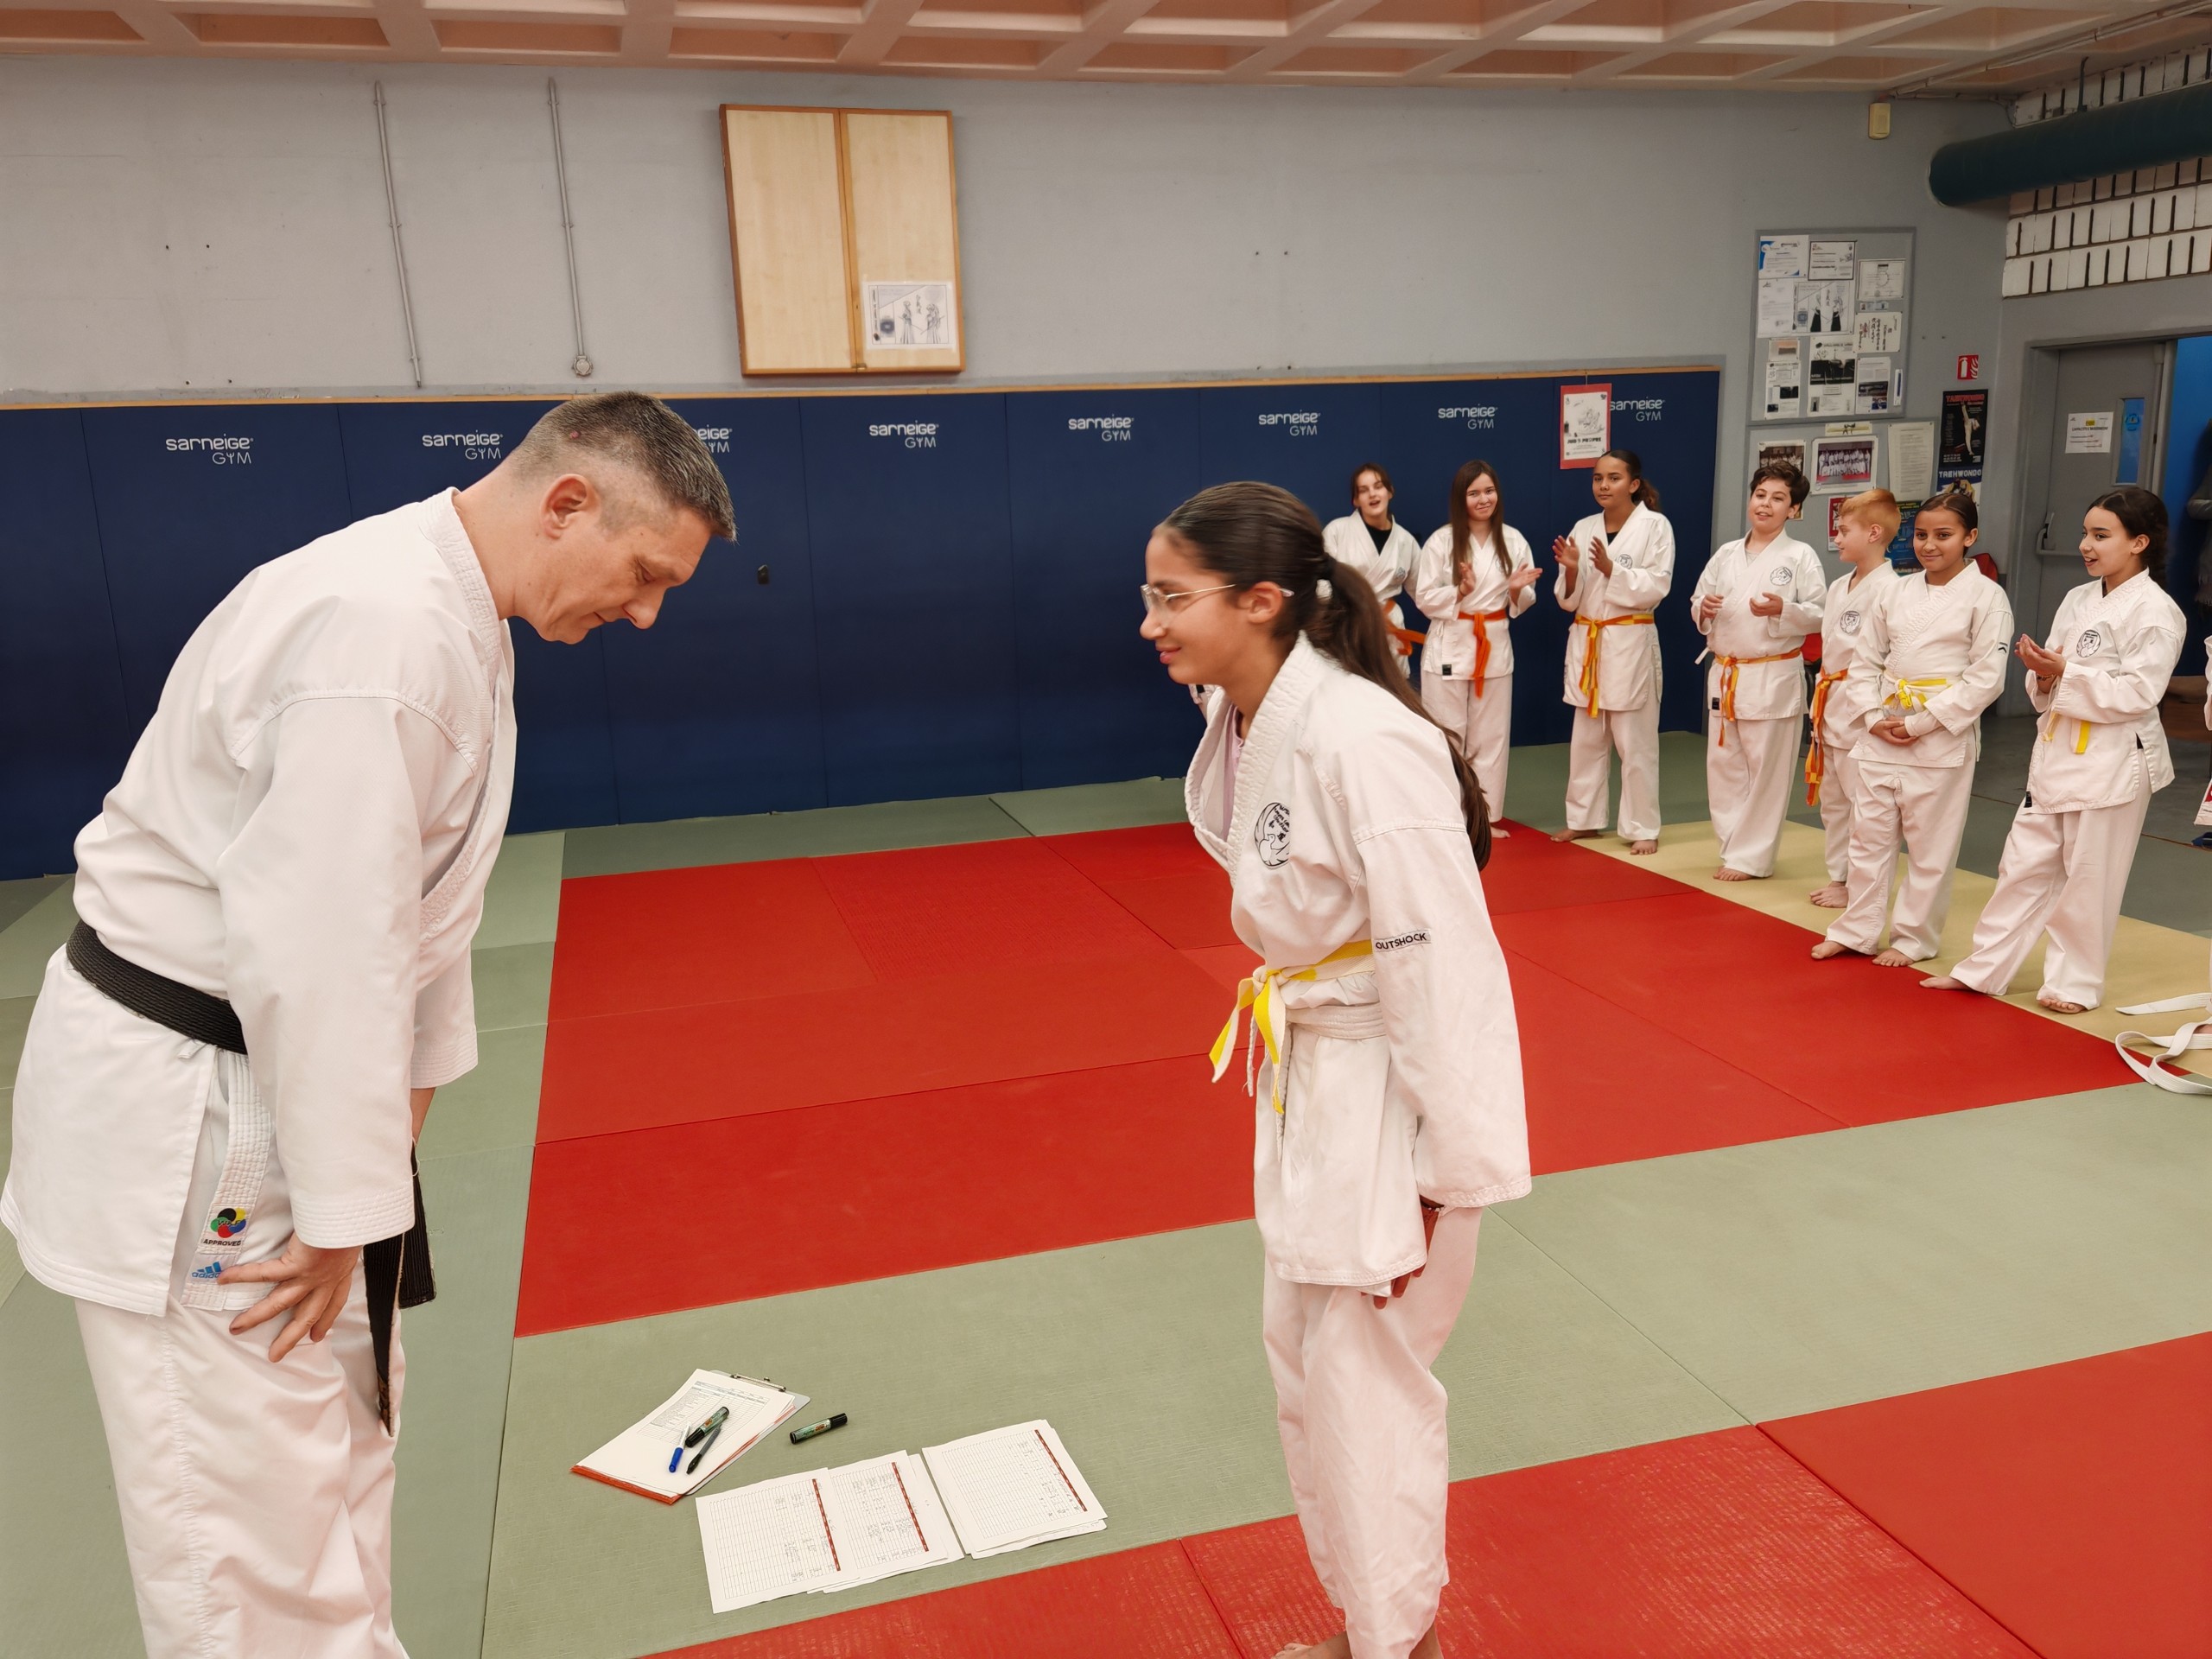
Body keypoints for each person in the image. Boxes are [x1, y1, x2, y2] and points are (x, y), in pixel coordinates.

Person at [1, 393, 733, 1658]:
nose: (647, 613)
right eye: (646, 574)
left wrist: (380, 1169)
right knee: (247, 1536)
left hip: (287, 1090)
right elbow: (322, 953)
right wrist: (347, 1214)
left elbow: (422, 927)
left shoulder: (454, 614)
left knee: (339, 1452)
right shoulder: (380, 631)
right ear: (568, 504)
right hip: (201, 1108)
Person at [1141, 482, 1529, 1659]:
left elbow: (1443, 961)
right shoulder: (1257, 713)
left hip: (1385, 1098)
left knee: (1364, 1389)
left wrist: (1449, 1165)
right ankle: (1375, 1629)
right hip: (1317, 1067)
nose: (1150, 623)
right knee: (1305, 1368)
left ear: (1261, 601)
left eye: (1170, 598)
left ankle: (1396, 1643)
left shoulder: (1364, 739)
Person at [1924, 487, 2185, 1011]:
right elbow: (2050, 674)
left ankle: (2075, 984)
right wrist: (2044, 677)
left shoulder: (2157, 612)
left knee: (2090, 879)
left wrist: (2065, 671)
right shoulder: (2078, 598)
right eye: (2085, 533)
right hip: (2058, 749)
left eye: (2101, 535)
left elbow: (2139, 694)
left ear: (2139, 542)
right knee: (2021, 865)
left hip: (2114, 760)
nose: (2086, 545)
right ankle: (1985, 968)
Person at [1813, 489, 2012, 967]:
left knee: (1929, 847)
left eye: (1943, 535)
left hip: (1940, 733)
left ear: (1970, 537)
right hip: (1882, 727)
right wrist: (1872, 716)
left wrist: (1922, 722)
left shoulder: (1988, 597)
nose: (1929, 545)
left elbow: (1987, 678)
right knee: (1868, 837)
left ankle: (1913, 938)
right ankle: (1856, 930)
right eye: (1921, 535)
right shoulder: (1896, 591)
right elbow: (1864, 661)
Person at [1691, 462, 1825, 880]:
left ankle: (1754, 858)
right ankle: (1733, 848)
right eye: (1760, 495)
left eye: (1778, 498)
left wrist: (1784, 610)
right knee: (1724, 766)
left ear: (1794, 509)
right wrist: (1703, 608)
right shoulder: (1726, 554)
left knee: (1767, 771)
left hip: (1772, 674)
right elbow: (1698, 600)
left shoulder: (1800, 556)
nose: (1765, 504)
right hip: (1727, 672)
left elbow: (1821, 613)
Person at [1552, 448, 1675, 855]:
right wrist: (1573, 569)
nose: (1603, 485)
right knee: (1586, 740)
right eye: (1597, 478)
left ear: (1634, 484)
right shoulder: (1584, 526)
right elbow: (1568, 599)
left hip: (1629, 643)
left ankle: (1643, 826)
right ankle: (1583, 820)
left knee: (1635, 743)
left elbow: (1657, 586)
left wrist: (1611, 569)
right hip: (1590, 640)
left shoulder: (1655, 526)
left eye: (1614, 478)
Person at [1408, 460, 1539, 832]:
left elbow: (1525, 598)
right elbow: (1424, 597)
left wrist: (1516, 590)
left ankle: (1485, 820)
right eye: (1474, 493)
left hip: (1493, 643)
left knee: (1491, 737)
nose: (1484, 499)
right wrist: (1460, 591)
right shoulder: (1442, 541)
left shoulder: (1513, 540)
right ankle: (1448, 817)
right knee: (1447, 734)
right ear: (1460, 498)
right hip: (1451, 642)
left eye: (1489, 491)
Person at [1806, 489, 1904, 907]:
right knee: (1833, 800)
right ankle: (1839, 875)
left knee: (1864, 800)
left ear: (1874, 533)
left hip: (1863, 704)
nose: (1838, 538)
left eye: (1845, 531)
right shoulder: (1837, 587)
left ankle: (1861, 884)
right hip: (1830, 700)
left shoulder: (1893, 590)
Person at [1323, 462, 1422, 676]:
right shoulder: (1336, 531)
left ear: (1390, 492)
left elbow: (1424, 593)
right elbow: (1321, 584)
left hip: (1389, 627)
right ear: (1355, 500)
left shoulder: (1406, 542)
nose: (1372, 494)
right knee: (1348, 688)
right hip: (1348, 625)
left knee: (1391, 690)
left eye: (1378, 487)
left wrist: (1459, 593)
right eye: (1364, 490)